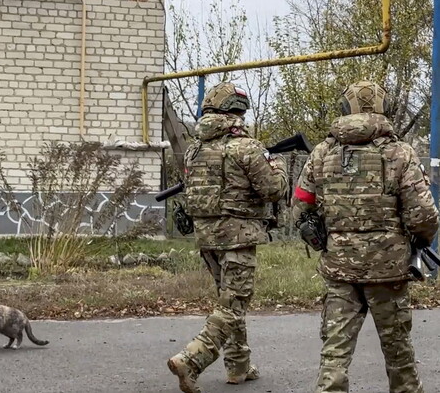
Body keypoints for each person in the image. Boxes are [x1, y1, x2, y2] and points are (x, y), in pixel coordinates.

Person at [292, 81, 439, 393]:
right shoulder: (401, 153)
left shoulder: (322, 153)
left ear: (346, 109)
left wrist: (321, 240)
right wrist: (419, 242)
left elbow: (301, 206)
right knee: (398, 353)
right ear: (383, 108)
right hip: (389, 269)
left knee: (334, 352)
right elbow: (424, 215)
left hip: (339, 268)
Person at [167, 82, 288, 393]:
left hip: (207, 237)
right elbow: (273, 189)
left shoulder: (195, 149)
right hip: (238, 235)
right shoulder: (246, 147)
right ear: (237, 111)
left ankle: (239, 365)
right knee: (234, 303)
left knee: (228, 299)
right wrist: (280, 166)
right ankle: (191, 359)